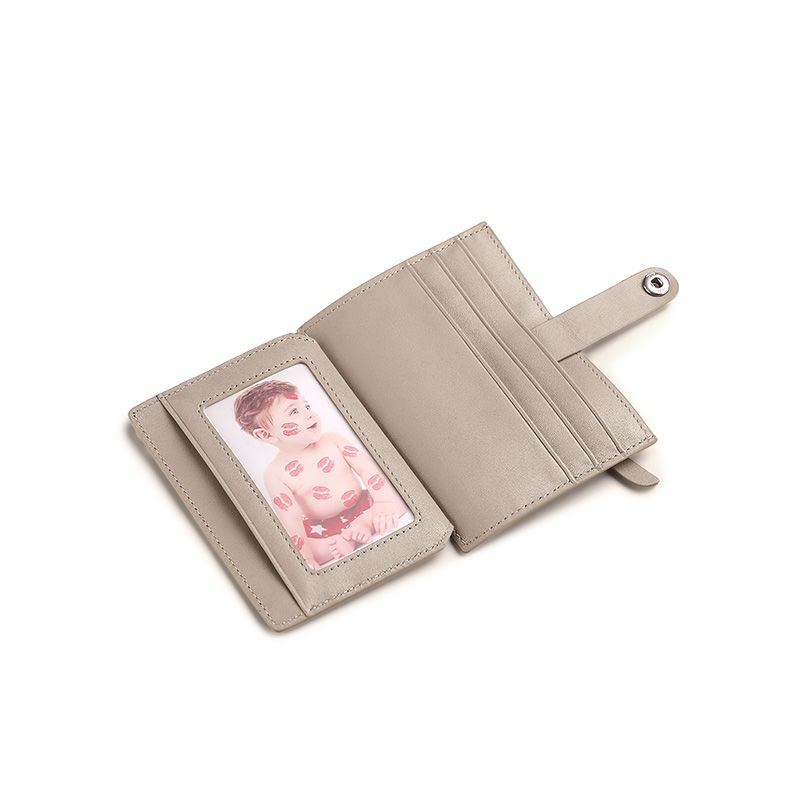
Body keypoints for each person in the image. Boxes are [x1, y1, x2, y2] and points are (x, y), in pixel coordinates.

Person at [234, 379, 408, 568]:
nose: (309, 414)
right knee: (313, 552)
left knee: (397, 499)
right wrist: (307, 559)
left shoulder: (332, 440)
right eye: (294, 412)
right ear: (266, 435)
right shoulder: (275, 474)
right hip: (323, 528)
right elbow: (290, 520)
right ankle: (347, 539)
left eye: (307, 406)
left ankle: (361, 526)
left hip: (363, 506)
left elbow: (367, 469)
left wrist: (382, 502)